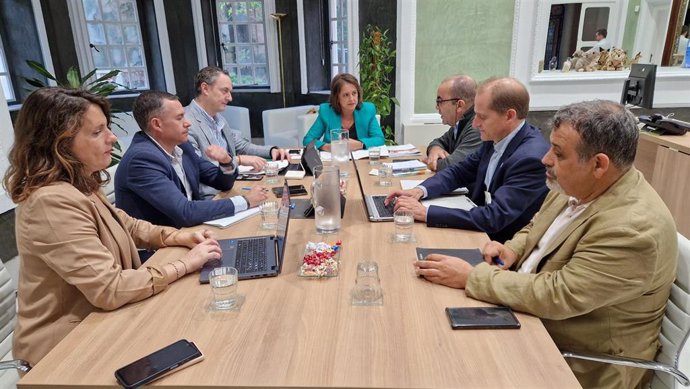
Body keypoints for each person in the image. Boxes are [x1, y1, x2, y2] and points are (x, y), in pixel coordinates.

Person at [415, 100, 677, 389]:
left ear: (599, 164)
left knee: (441, 366)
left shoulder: (633, 228)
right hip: (530, 315)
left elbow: (559, 294)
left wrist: (472, 277)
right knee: (427, 331)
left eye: (559, 153)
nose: (545, 159)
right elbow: (536, 226)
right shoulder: (579, 183)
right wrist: (512, 249)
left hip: (574, 359)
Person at [2, 87, 223, 367]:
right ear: (59, 144)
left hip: (104, 325)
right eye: (97, 132)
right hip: (64, 351)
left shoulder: (78, 184)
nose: (113, 137)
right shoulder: (51, 201)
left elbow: (128, 225)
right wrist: (185, 264)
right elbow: (110, 288)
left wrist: (181, 236)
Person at [385, 77, 549, 243]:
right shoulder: (496, 138)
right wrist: (419, 190)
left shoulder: (531, 158)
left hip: (499, 246)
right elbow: (459, 172)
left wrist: (426, 213)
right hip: (478, 230)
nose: (475, 124)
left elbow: (494, 217)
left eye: (482, 117)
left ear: (509, 116)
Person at [115, 91, 268, 228]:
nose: (188, 123)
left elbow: (221, 182)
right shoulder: (142, 160)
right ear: (157, 124)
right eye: (179, 118)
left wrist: (226, 162)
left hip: (190, 231)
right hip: (159, 250)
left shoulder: (183, 146)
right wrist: (246, 201)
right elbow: (184, 212)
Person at [186, 66, 289, 199]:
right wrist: (239, 160)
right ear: (205, 88)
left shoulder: (218, 118)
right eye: (225, 91)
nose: (230, 98)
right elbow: (198, 167)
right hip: (212, 195)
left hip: (232, 184)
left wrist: (271, 151)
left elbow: (241, 145)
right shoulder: (185, 123)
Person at [302, 73, 385, 151]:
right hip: (336, 160)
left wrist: (359, 144)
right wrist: (327, 147)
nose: (352, 99)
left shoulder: (367, 110)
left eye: (354, 93)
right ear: (337, 98)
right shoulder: (327, 112)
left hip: (361, 161)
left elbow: (379, 139)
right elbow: (308, 140)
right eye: (346, 95)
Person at [425, 75, 482, 171]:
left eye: (440, 101)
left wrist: (432, 160)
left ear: (459, 105)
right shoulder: (460, 122)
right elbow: (438, 142)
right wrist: (435, 149)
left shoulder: (477, 126)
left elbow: (450, 166)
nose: (437, 107)